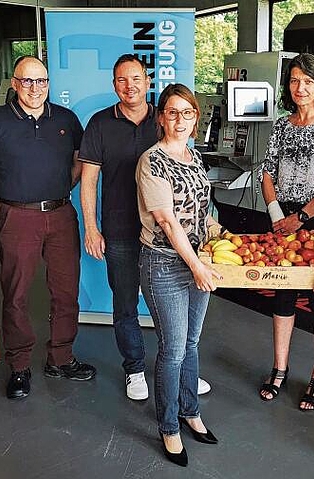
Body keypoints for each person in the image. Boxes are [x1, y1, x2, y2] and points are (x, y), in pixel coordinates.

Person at [79, 54, 211, 401]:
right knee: (124, 303)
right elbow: (89, 181)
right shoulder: (100, 123)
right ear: (114, 85)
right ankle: (134, 367)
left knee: (177, 307)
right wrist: (91, 228)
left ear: (148, 81)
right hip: (120, 228)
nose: (130, 86)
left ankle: (183, 370)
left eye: (136, 78)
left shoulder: (166, 116)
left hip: (165, 235)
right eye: (122, 80)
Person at [0, 56, 95, 400]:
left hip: (60, 215)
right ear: (14, 83)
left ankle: (61, 357)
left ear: (49, 84)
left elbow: (79, 162)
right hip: (16, 216)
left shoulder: (66, 119)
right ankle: (20, 365)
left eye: (41, 81)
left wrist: (59, 191)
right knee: (16, 294)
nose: (34, 88)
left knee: (66, 291)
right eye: (27, 81)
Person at [257, 53, 314, 411]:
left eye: (308, 81)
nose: (300, 88)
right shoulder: (282, 125)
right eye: (294, 80)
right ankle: (279, 369)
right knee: (282, 296)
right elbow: (266, 172)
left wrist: (301, 216)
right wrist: (277, 214)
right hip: (283, 221)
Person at [136, 84, 223, 467]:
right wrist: (197, 266)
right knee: (172, 350)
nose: (180, 120)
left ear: (196, 117)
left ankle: (190, 411)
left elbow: (201, 208)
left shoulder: (195, 156)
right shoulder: (152, 161)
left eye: (188, 113)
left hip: (198, 260)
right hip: (164, 263)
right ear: (160, 117)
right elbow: (168, 223)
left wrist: (217, 232)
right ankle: (169, 427)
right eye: (172, 112)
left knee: (191, 342)